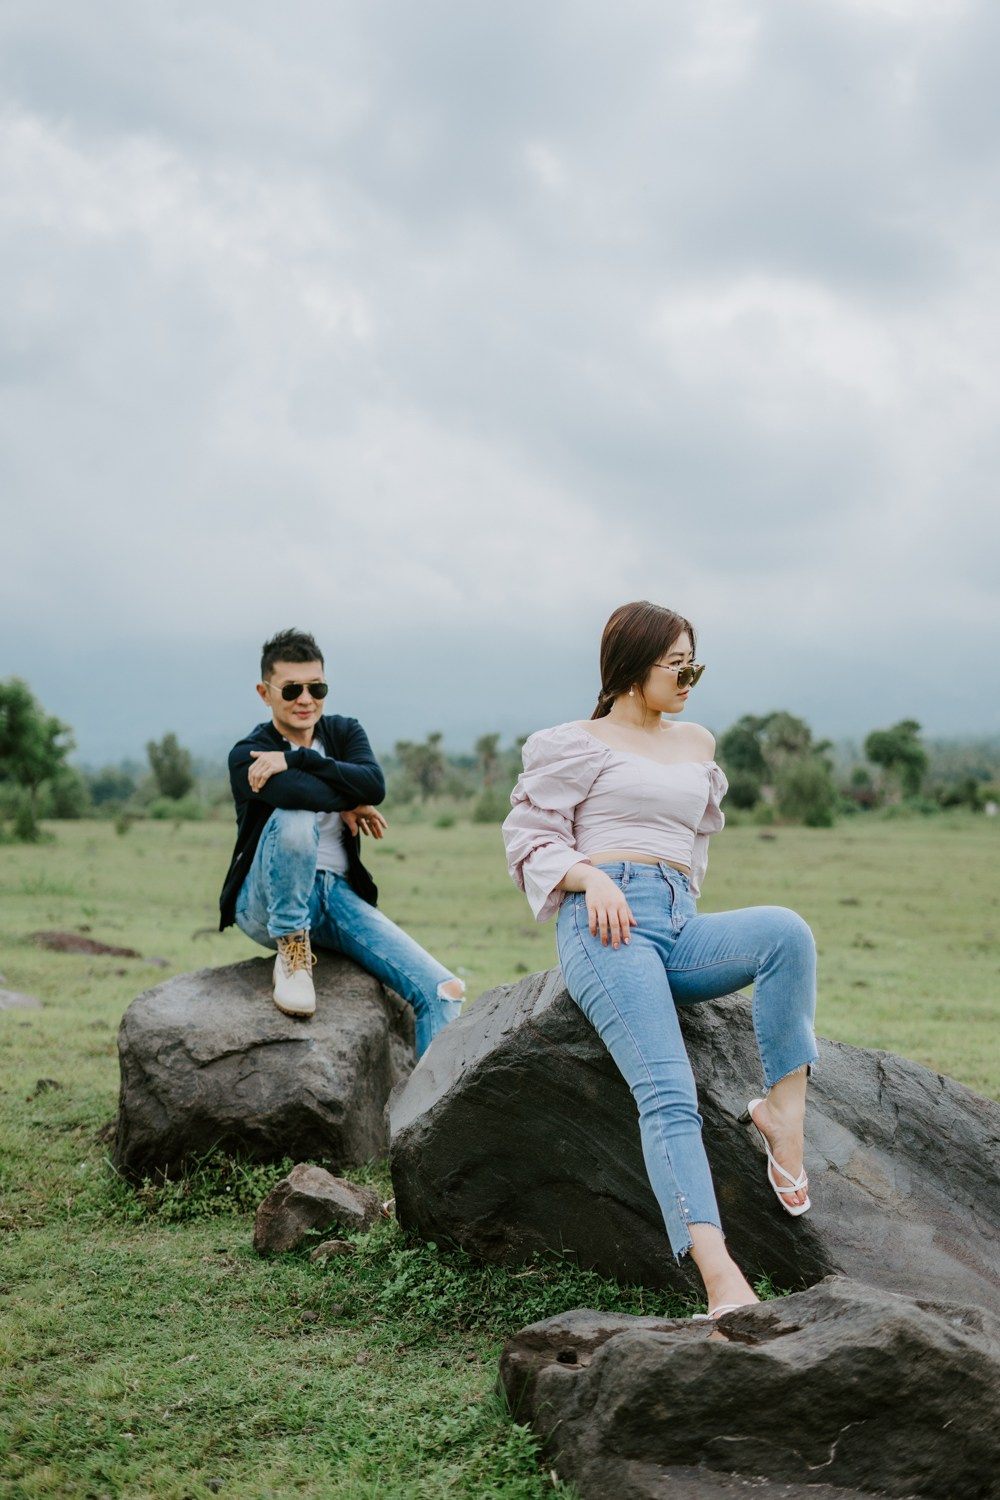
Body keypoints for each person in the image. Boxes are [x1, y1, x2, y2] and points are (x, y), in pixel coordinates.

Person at [501, 601, 817, 1318]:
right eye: (679, 666)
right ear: (629, 666)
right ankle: (719, 1279)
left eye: (695, 665)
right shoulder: (571, 742)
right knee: (669, 1092)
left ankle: (782, 1117)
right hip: (606, 922)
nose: (691, 679)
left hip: (677, 921)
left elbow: (690, 854)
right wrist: (591, 876)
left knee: (787, 933)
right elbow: (527, 837)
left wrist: (675, 908)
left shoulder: (696, 740)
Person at [219, 628, 464, 1055]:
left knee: (443, 990)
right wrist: (347, 797)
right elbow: (297, 796)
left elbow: (375, 785)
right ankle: (292, 949)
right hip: (267, 899)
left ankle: (433, 1119)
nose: (305, 699)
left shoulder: (344, 732)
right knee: (296, 818)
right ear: (265, 692)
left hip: (336, 896)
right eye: (291, 689)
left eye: (317, 687)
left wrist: (298, 760)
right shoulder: (250, 754)